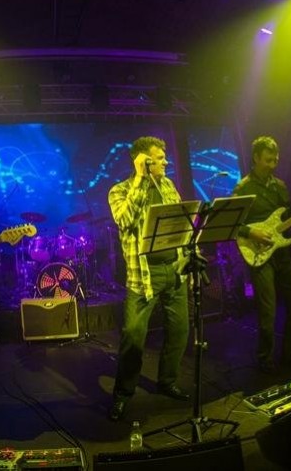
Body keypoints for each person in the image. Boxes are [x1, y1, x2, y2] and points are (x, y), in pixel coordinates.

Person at [106, 136, 191, 421]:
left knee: (179, 330)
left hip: (174, 269)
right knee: (133, 336)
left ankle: (167, 381)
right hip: (142, 276)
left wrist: (186, 256)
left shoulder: (168, 185)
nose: (166, 161)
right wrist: (141, 179)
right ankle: (123, 394)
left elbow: (181, 224)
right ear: (143, 160)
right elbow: (124, 220)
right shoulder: (119, 190)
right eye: (160, 157)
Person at [232, 136, 291, 373]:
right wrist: (252, 232)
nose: (272, 164)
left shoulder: (280, 186)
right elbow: (232, 223)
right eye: (268, 160)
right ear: (256, 158)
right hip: (259, 254)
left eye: (275, 160)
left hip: (282, 253)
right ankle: (264, 358)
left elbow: (288, 220)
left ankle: (290, 353)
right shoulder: (243, 188)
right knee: (267, 309)